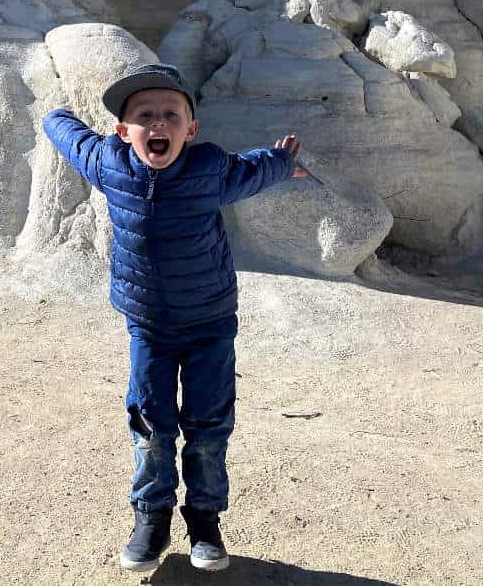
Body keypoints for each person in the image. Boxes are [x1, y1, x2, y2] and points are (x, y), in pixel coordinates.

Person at [43, 63, 307, 573]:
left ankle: (205, 524)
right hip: (148, 325)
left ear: (191, 130)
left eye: (171, 115)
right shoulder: (109, 164)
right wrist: (55, 113)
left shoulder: (209, 171)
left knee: (208, 426)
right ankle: (152, 519)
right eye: (145, 116)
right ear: (124, 132)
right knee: (150, 423)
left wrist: (280, 162)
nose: (157, 124)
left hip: (210, 322)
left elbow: (251, 172)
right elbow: (71, 139)